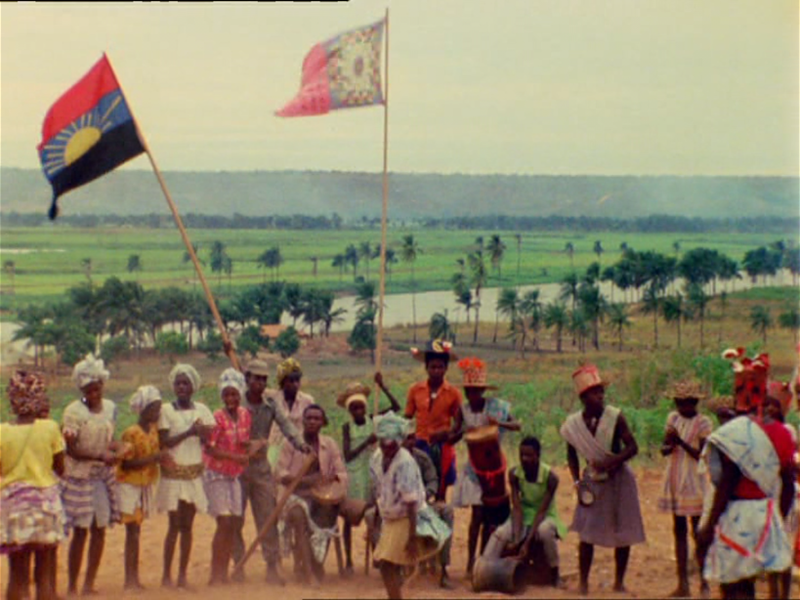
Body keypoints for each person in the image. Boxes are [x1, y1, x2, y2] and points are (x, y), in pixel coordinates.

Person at [697, 350, 794, 600]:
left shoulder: (734, 433)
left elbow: (727, 484)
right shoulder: (783, 434)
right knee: (751, 578)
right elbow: (789, 484)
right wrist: (777, 518)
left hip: (737, 515)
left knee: (734, 585)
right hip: (765, 514)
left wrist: (709, 524)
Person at [559, 363, 645, 596]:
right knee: (586, 532)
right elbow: (571, 453)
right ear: (584, 397)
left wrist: (613, 461)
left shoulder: (615, 417)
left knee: (623, 531)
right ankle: (584, 584)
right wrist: (577, 482)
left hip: (619, 480)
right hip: (592, 480)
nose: (601, 396)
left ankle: (619, 582)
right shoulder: (574, 425)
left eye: (601, 392)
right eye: (596, 393)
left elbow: (633, 447)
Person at [231, 359, 310, 585]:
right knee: (236, 518)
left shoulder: (270, 404)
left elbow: (287, 427)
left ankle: (272, 566)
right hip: (237, 468)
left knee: (267, 516)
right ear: (247, 379)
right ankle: (238, 563)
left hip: (261, 468)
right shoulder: (237, 403)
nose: (260, 383)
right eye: (256, 378)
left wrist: (301, 444)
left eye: (264, 379)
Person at [369, 413, 451, 600]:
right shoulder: (375, 458)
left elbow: (411, 502)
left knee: (386, 564)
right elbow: (378, 491)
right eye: (383, 442)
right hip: (389, 517)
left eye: (392, 443)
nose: (387, 447)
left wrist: (412, 536)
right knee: (386, 565)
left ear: (399, 441)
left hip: (407, 517)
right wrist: (377, 521)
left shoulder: (405, 462)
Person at [451, 356, 520, 575]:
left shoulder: (496, 408)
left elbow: (517, 425)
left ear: (483, 390)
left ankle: (484, 560)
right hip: (474, 470)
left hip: (494, 468)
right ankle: (471, 562)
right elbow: (454, 434)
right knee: (477, 516)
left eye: (477, 390)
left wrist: (499, 423)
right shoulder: (463, 410)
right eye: (469, 390)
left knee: (492, 518)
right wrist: (455, 434)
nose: (473, 394)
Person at [1, 370, 65, 600]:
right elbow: (60, 468)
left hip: (15, 509)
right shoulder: (49, 428)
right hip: (45, 507)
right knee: (45, 575)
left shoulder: (2, 432)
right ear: (38, 398)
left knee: (17, 575)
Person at [61, 354, 120, 596]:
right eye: (88, 390)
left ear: (102, 386)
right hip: (80, 477)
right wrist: (99, 456)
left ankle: (89, 583)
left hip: (101, 478)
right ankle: (73, 584)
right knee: (81, 531)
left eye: (97, 389)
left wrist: (117, 449)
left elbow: (111, 440)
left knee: (99, 529)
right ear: (82, 389)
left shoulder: (111, 409)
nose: (93, 394)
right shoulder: (73, 412)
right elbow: (71, 450)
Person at [156, 363, 215, 590]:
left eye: (186, 383)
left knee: (188, 526)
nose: (181, 387)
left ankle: (182, 575)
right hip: (173, 475)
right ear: (173, 386)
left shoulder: (202, 410)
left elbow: (208, 439)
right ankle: (166, 575)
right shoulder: (166, 411)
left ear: (193, 387)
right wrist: (190, 432)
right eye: (178, 383)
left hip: (192, 474)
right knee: (173, 525)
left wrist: (202, 435)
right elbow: (164, 442)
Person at [276, 404, 348, 588]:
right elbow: (280, 473)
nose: (312, 422)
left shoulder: (329, 444)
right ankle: (309, 573)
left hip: (321, 496)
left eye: (317, 418)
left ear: (322, 422)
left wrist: (329, 480)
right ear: (302, 421)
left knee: (329, 514)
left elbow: (342, 473)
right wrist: (306, 481)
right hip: (294, 497)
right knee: (299, 516)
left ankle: (317, 564)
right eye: (309, 418)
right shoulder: (291, 443)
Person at [482, 436, 567, 588]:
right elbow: (517, 508)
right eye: (522, 455)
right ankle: (484, 568)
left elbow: (541, 512)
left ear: (538, 456)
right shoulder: (514, 473)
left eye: (529, 455)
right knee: (501, 533)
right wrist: (516, 538)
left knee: (545, 531)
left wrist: (525, 543)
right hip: (524, 513)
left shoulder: (550, 477)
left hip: (546, 515)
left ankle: (555, 574)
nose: (524, 459)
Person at [657, 379, 714, 598]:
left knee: (698, 531)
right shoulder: (672, 419)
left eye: (687, 403)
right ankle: (683, 584)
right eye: (679, 403)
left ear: (694, 403)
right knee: (678, 529)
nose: (683, 408)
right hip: (674, 476)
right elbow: (664, 449)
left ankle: (704, 582)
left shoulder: (704, 423)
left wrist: (679, 442)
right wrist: (669, 443)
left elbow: (702, 455)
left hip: (694, 479)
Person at [338, 377, 400, 576]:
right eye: (354, 408)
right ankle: (348, 561)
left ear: (365, 408)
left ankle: (377, 556)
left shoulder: (374, 420)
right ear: (349, 410)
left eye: (360, 407)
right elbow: (347, 455)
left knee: (374, 518)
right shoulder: (347, 428)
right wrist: (367, 441)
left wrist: (382, 386)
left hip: (371, 473)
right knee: (349, 518)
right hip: (354, 475)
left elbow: (396, 407)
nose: (358, 411)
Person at [117, 385, 170, 590]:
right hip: (130, 486)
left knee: (136, 531)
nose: (157, 413)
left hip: (144, 484)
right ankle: (130, 579)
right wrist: (153, 458)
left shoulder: (153, 431)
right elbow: (126, 463)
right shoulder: (131, 433)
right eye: (154, 408)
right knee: (132, 532)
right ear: (144, 409)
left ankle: (133, 578)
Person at [203, 368, 252, 586]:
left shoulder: (244, 415)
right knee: (223, 522)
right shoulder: (216, 417)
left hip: (235, 475)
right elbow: (211, 449)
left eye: (234, 394)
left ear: (240, 394)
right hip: (217, 474)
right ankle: (216, 574)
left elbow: (243, 441)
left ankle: (224, 571)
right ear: (222, 396)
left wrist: (248, 450)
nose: (231, 398)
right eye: (227, 394)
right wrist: (235, 456)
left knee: (233, 524)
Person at [404, 339, 462, 502]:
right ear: (426, 368)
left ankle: (441, 521)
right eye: (432, 367)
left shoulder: (453, 393)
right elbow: (407, 417)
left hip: (442, 446)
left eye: (440, 367)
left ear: (446, 368)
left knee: (441, 491)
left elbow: (459, 424)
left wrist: (446, 434)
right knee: (418, 488)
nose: (436, 371)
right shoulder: (415, 390)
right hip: (419, 444)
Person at [267, 358, 315, 468]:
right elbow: (249, 383)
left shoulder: (307, 400)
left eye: (297, 380)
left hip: (298, 447)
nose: (295, 384)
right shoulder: (272, 398)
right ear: (283, 382)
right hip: (275, 446)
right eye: (291, 381)